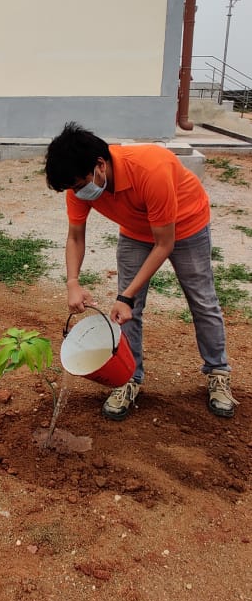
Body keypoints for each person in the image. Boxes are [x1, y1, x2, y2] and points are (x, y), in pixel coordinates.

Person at [44, 122, 236, 421]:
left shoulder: (151, 169)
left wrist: (126, 294)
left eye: (80, 186)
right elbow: (75, 236)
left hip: (186, 226)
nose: (78, 193)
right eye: (73, 189)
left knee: (202, 300)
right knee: (128, 312)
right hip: (135, 232)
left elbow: (164, 243)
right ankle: (129, 378)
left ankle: (218, 372)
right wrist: (72, 282)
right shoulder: (79, 184)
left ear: (100, 165)